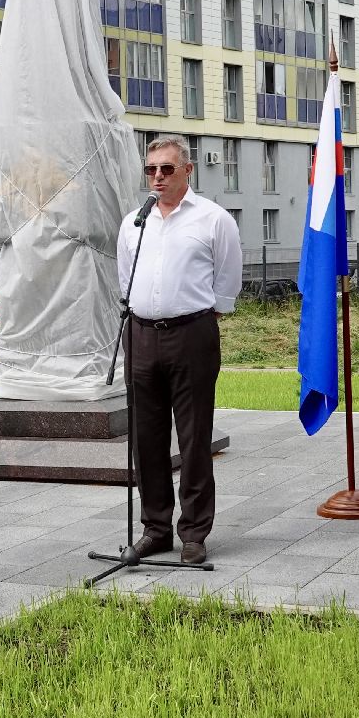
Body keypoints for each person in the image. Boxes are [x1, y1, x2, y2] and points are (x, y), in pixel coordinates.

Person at [115, 136, 243, 565]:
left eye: (166, 168)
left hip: (191, 335)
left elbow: (228, 278)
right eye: (151, 169)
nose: (157, 176)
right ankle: (155, 529)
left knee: (193, 437)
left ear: (188, 170)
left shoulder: (213, 219)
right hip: (141, 335)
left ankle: (193, 532)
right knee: (146, 438)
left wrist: (203, 313)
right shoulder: (135, 222)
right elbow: (125, 278)